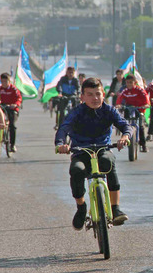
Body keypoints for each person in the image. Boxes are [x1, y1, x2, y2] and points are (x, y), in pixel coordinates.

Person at [55, 77, 132, 230]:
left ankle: (115, 207)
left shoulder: (109, 110)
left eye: (98, 94)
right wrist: (60, 144)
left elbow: (125, 125)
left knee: (108, 163)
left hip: (103, 149)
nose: (95, 98)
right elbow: (63, 129)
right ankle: (81, 207)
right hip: (80, 151)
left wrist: (125, 136)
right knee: (76, 170)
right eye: (89, 94)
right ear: (82, 97)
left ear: (103, 94)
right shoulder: (76, 112)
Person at [116, 74, 150, 152]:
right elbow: (120, 98)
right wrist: (118, 104)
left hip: (139, 109)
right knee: (125, 123)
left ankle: (143, 145)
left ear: (135, 82)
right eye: (127, 82)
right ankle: (125, 137)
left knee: (141, 127)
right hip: (129, 109)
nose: (129, 84)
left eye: (131, 82)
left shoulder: (140, 90)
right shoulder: (125, 91)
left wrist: (146, 104)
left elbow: (146, 97)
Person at [0, 72, 22, 152]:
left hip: (12, 108)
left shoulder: (14, 89)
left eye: (5, 82)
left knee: (12, 125)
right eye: (2, 82)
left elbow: (19, 98)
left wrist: (15, 104)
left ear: (9, 81)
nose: (4, 83)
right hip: (3, 106)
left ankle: (12, 145)